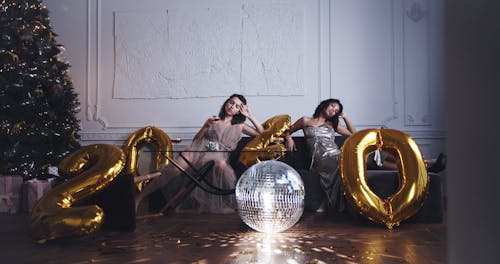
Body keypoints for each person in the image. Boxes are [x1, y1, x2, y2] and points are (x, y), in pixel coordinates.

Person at [135, 94, 264, 214]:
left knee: (221, 165)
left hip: (217, 156)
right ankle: (139, 198)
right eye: (231, 102)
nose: (232, 107)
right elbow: (196, 140)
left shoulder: (240, 125)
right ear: (226, 103)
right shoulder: (214, 120)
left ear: (239, 111)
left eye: (237, 106)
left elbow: (262, 134)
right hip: (198, 149)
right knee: (173, 169)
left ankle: (210, 201)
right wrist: (205, 126)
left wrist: (250, 116)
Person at [284, 98, 355, 213]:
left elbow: (353, 135)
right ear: (324, 105)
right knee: (344, 163)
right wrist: (288, 138)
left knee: (346, 161)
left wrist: (345, 117)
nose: (333, 110)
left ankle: (349, 204)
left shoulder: (332, 125)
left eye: (336, 111)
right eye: (332, 106)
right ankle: (337, 204)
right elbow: (287, 130)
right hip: (318, 157)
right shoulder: (305, 120)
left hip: (334, 154)